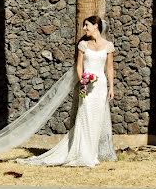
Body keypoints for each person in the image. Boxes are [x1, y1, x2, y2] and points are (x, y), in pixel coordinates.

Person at [16, 15, 116, 167]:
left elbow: (109, 68)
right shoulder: (83, 45)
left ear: (95, 26)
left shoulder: (108, 46)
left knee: (97, 119)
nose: (84, 28)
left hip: (100, 87)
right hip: (86, 86)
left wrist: (111, 87)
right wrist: (82, 79)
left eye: (87, 25)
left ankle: (92, 154)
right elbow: (79, 65)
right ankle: (83, 154)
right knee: (85, 117)